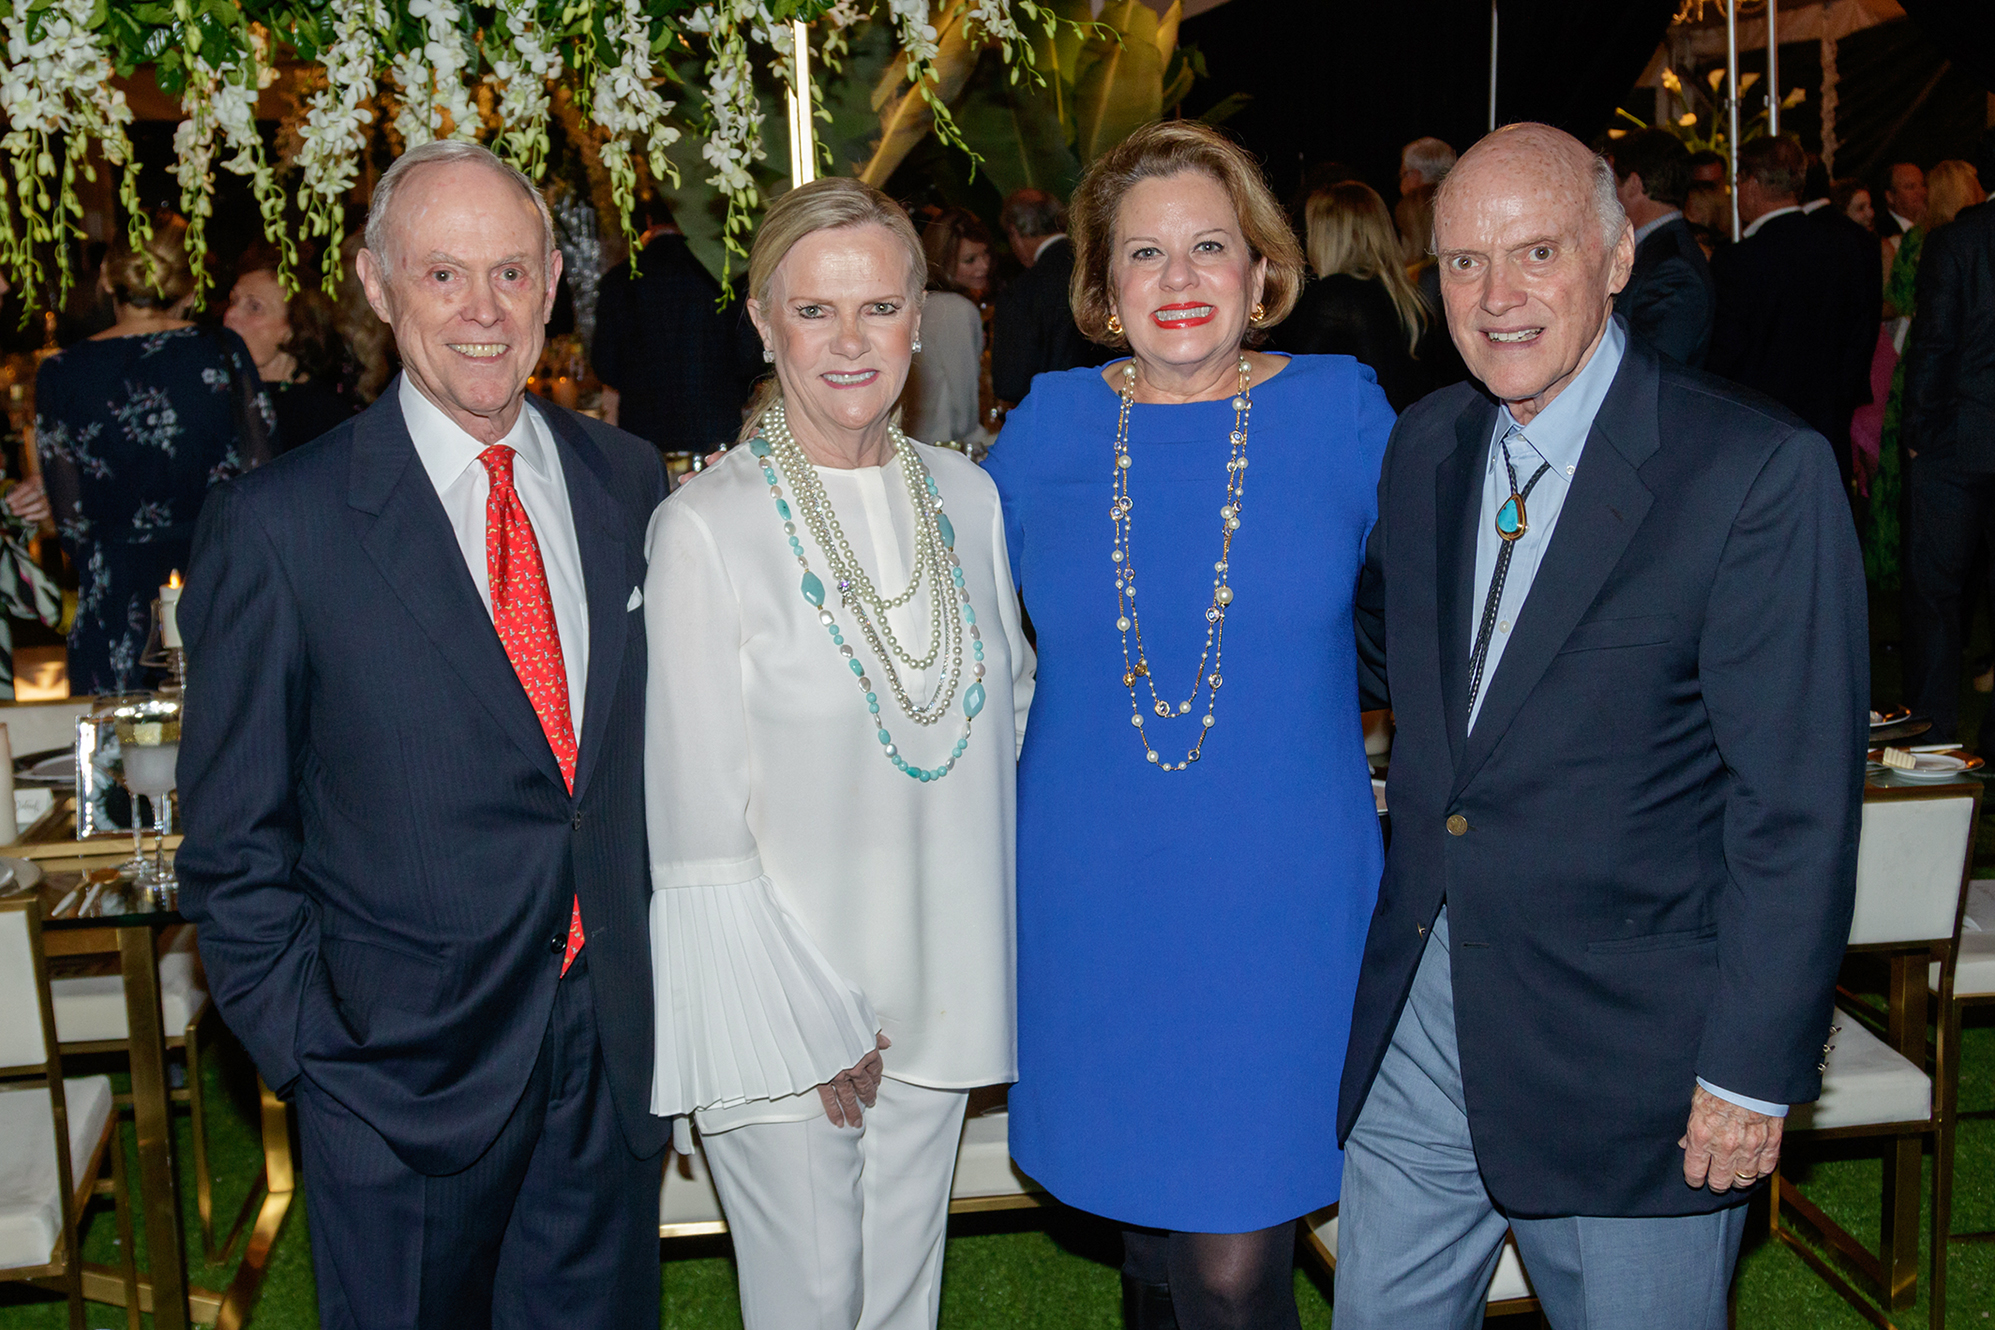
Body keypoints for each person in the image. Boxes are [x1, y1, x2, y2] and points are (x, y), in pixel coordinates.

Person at [1332, 122, 1865, 1330]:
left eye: (1536, 254)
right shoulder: (1428, 448)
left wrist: (1746, 1071)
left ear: (1619, 258)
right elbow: (1376, 656)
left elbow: (1798, 807)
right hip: (1428, 1014)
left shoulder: (1752, 475)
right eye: (1463, 262)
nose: (1497, 297)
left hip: (1635, 1069)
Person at [175, 139, 670, 1329]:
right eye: (443, 276)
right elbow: (232, 845)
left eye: (510, 272)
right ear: (376, 283)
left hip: (609, 1063)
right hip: (394, 1079)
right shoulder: (279, 527)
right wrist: (317, 1062)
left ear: (554, 281)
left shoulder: (629, 482)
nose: (484, 311)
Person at [986, 119, 1394, 1330]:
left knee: (1231, 1262)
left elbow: (1455, 603)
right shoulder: (1046, 429)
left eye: (1209, 247)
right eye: (1145, 253)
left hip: (1282, 903)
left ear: (1263, 271)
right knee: (1155, 1242)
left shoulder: (1345, 411)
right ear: (1102, 288)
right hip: (1094, 893)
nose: (1179, 281)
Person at [643, 176, 1032, 1330]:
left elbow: (1000, 716)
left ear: (924, 315)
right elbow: (694, 815)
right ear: (765, 321)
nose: (850, 341)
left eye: (877, 306)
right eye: (814, 311)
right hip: (783, 1009)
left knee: (903, 1309)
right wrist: (799, 1021)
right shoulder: (707, 526)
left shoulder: (969, 501)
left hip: (938, 982)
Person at [34, 216, 275, 695]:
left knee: (124, 753)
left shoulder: (62, 371)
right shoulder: (222, 351)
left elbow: (72, 523)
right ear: (190, 287)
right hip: (219, 577)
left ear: (107, 279)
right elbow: (262, 474)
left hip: (117, 589)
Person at [1708, 134, 1881, 491]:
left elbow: (1725, 358)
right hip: (1828, 432)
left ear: (1751, 183)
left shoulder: (1738, 261)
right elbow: (1862, 337)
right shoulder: (1846, 247)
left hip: (1759, 440)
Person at [1898, 171, 1992, 750]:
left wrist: (1916, 432)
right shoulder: (1958, 241)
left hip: (1956, 441)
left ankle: (1934, 733)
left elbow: (1934, 341)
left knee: (1935, 593)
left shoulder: (1958, 240)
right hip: (1957, 435)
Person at [1865, 160, 1984, 589]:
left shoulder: (1922, 240)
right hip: (1967, 373)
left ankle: (1897, 564)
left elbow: (1897, 298)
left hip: (1922, 360)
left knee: (1903, 472)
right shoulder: (1971, 238)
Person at [592, 193, 759, 454]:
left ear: (648, 219)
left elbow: (605, 366)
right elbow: (748, 356)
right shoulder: (723, 277)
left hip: (643, 434)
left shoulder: (619, 280)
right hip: (714, 429)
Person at [1270, 180, 1427, 409]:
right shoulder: (1401, 293)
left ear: (1326, 235)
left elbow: (1298, 382)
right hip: (1400, 431)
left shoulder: (1337, 296)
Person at [223, 246, 358, 452]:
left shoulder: (322, 418)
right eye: (233, 301)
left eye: (254, 307)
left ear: (294, 328)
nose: (231, 314)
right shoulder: (220, 388)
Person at [1608, 127, 1716, 365]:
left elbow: (1651, 365)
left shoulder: (1674, 269)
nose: (1608, 194)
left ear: (1634, 184)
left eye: (1613, 181)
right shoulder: (1662, 251)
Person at [991, 187, 1099, 405]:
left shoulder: (1023, 290)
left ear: (1014, 233)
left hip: (1051, 415)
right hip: (1110, 407)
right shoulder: (1098, 268)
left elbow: (1009, 383)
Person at [901, 207, 992, 446]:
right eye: (970, 260)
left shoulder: (922, 303)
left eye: (985, 255)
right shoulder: (956, 309)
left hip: (917, 440)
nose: (983, 266)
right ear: (943, 262)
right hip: (945, 443)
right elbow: (964, 400)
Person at [1879, 161, 1927, 242]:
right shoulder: (1883, 236)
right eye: (1910, 187)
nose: (1921, 192)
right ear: (1890, 196)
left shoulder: (1932, 227)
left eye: (1923, 185)